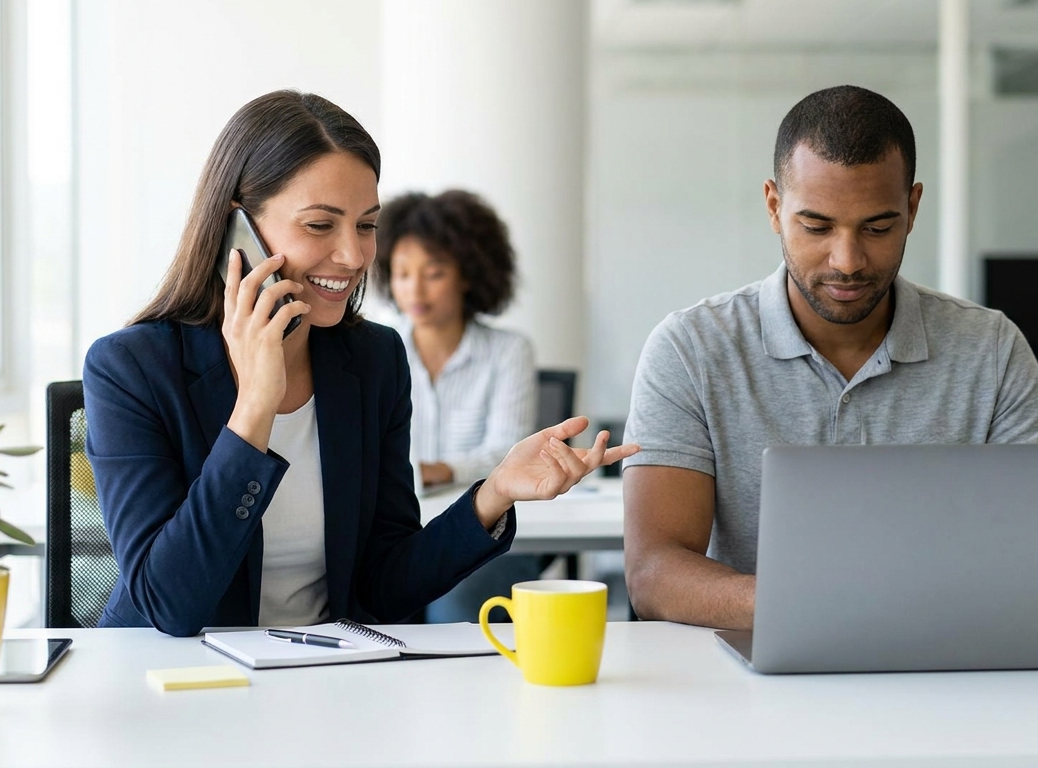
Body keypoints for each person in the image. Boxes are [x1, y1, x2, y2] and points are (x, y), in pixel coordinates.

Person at [82, 90, 636, 638]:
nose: (353, 256)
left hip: (327, 676)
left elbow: (381, 586)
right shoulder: (130, 369)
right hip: (175, 684)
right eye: (320, 225)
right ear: (238, 230)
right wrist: (255, 406)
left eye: (366, 225)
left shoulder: (373, 360)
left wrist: (494, 493)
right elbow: (170, 605)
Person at [621, 85, 1038, 631]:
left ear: (913, 208)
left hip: (945, 665)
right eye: (817, 226)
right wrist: (821, 606)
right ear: (775, 208)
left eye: (877, 227)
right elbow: (654, 572)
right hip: (754, 670)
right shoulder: (690, 348)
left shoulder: (990, 349)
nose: (847, 261)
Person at [373, 189, 544, 622]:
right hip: (399, 534)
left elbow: (508, 454)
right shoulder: (375, 351)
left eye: (434, 273)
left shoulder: (508, 351)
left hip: (486, 533)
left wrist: (439, 471)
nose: (415, 288)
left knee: (453, 607)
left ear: (467, 274)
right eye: (402, 273)